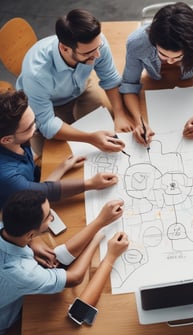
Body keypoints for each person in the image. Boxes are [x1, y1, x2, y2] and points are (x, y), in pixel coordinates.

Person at [0, 189, 128, 333]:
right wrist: (99, 242)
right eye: (48, 216)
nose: (53, 218)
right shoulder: (22, 271)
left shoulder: (8, 227)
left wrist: (32, 241)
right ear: (29, 233)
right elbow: (75, 278)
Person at [16, 8, 126, 156]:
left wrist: (120, 115)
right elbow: (48, 125)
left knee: (111, 122)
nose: (98, 55)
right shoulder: (37, 74)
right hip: (48, 104)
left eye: (98, 47)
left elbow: (110, 78)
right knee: (54, 157)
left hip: (81, 88)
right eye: (88, 53)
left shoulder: (96, 43)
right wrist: (90, 138)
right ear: (64, 48)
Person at [119, 2, 193, 145]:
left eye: (177, 57)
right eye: (163, 55)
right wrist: (139, 121)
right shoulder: (137, 42)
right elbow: (129, 84)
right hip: (153, 86)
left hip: (190, 87)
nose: (170, 62)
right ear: (154, 41)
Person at [0, 89, 119, 210]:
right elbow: (39, 194)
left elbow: (34, 182)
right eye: (29, 127)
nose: (36, 128)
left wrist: (61, 168)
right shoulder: (7, 175)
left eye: (34, 121)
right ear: (7, 139)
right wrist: (90, 184)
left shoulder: (19, 141)